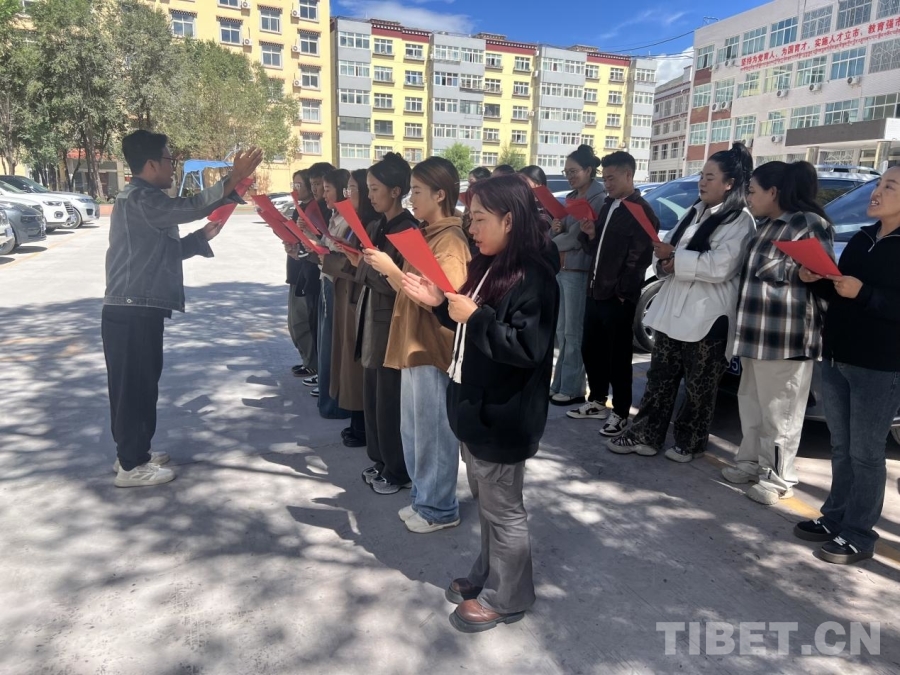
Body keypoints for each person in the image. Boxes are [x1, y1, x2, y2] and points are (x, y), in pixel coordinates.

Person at [401, 174, 560, 633]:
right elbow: (467, 322)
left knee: (504, 510)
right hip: (475, 409)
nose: (471, 229)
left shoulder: (534, 276)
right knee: (489, 504)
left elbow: (527, 348)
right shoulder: (489, 264)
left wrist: (478, 316)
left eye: (479, 219)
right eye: (470, 219)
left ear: (509, 220)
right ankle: (489, 574)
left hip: (503, 416)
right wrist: (439, 303)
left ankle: (509, 596)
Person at [102, 130, 262, 487]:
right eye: (169, 159)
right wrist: (231, 179)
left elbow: (161, 253)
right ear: (150, 164)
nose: (172, 166)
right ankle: (131, 466)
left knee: (140, 386)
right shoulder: (141, 198)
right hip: (131, 311)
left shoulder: (143, 201)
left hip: (137, 310)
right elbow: (191, 207)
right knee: (134, 389)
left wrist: (200, 238)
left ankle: (134, 453)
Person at [607, 143, 755, 461]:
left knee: (699, 386)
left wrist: (675, 257)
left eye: (710, 177)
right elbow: (667, 247)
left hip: (707, 315)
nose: (702, 182)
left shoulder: (739, 221)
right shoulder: (694, 211)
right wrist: (664, 259)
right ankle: (646, 434)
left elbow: (722, 266)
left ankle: (690, 441)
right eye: (701, 176)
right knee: (660, 378)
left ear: (729, 184)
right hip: (673, 309)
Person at [793, 166, 900, 565]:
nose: (877, 191)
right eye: (879, 184)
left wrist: (865, 292)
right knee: (841, 446)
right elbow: (843, 291)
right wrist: (816, 279)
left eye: (890, 186)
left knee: (867, 453)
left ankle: (859, 534)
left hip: (880, 365)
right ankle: (835, 517)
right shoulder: (862, 237)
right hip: (838, 356)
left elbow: (876, 298)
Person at [363, 157, 470, 533]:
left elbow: (442, 300)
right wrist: (389, 271)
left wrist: (392, 269)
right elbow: (408, 290)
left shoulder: (450, 240)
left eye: (419, 192)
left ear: (440, 195)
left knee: (433, 433)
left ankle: (440, 508)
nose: (412, 199)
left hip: (429, 347)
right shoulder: (428, 234)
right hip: (411, 344)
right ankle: (424, 499)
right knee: (414, 431)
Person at [724, 161, 835, 505]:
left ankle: (778, 477)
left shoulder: (807, 224)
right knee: (752, 406)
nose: (748, 197)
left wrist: (804, 274)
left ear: (773, 192)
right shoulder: (766, 227)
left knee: (780, 414)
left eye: (752, 191)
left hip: (786, 339)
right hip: (754, 335)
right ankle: (750, 463)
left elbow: (824, 278)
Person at [572, 151, 659, 437]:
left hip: (617, 298)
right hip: (595, 291)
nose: (607, 184)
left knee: (618, 358)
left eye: (611, 178)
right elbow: (594, 248)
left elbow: (639, 259)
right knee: (591, 349)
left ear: (628, 175)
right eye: (605, 178)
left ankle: (621, 412)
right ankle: (597, 400)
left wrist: (622, 293)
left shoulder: (642, 211)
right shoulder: (609, 205)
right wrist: (589, 233)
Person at [357, 153, 418, 494]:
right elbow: (366, 272)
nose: (370, 195)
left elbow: (403, 284)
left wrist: (373, 269)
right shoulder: (380, 224)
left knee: (390, 401)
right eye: (367, 188)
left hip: (391, 324)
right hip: (373, 320)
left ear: (396, 191)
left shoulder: (407, 229)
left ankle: (397, 470)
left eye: (375, 188)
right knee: (374, 397)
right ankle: (381, 460)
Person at [553, 145, 606, 408]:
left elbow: (576, 239)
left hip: (579, 270)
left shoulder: (598, 198)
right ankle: (560, 384)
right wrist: (555, 229)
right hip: (564, 268)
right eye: (566, 172)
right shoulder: (573, 197)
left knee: (574, 332)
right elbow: (563, 231)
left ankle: (573, 388)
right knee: (562, 331)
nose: (569, 176)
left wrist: (551, 243)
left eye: (573, 171)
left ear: (588, 170)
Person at [316, 169, 355, 423]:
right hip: (327, 282)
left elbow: (346, 261)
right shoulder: (335, 217)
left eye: (327, 189)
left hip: (338, 287)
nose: (323, 194)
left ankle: (334, 403)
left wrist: (325, 256)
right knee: (326, 343)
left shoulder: (350, 221)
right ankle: (327, 399)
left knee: (333, 345)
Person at [298, 161, 336, 393]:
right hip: (318, 275)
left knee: (327, 334)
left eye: (321, 185)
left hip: (330, 280)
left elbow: (332, 248)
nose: (316, 189)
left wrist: (314, 240)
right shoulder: (319, 209)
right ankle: (322, 374)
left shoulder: (332, 213)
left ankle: (326, 378)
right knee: (318, 328)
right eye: (311, 184)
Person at [286, 169, 316, 379]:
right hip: (295, 269)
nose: (295, 189)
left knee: (302, 321)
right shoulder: (299, 208)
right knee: (294, 322)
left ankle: (312, 363)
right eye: (293, 184)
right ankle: (307, 360)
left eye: (299, 185)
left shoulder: (313, 209)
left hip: (307, 272)